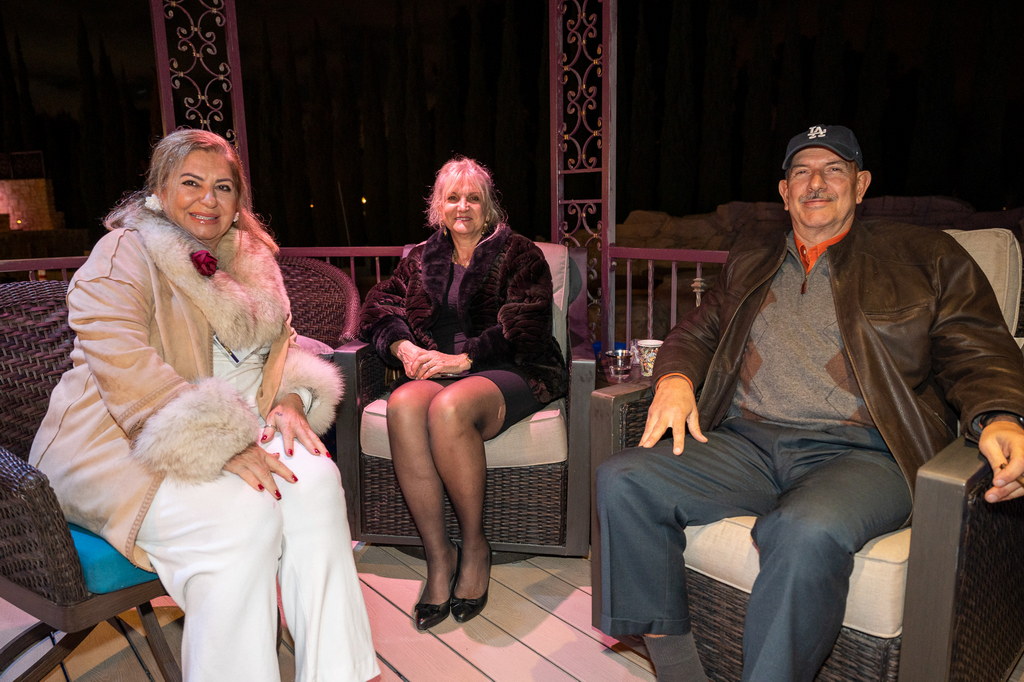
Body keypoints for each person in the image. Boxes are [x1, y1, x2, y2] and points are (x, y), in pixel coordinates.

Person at [596, 124, 1024, 681]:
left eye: (833, 170)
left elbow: (978, 348)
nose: (815, 183)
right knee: (623, 480)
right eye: (801, 171)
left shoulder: (926, 256)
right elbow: (697, 331)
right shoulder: (753, 257)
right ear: (784, 192)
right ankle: (678, 670)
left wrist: (1002, 415)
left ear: (861, 184)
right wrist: (674, 378)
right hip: (746, 444)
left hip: (865, 452)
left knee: (803, 532)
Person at [29, 129, 379, 682]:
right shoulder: (124, 251)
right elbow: (121, 357)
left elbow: (284, 344)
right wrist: (218, 443)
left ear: (239, 200)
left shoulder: (252, 258)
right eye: (191, 183)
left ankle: (339, 673)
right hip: (121, 442)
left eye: (223, 187)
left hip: (242, 426)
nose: (208, 200)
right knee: (241, 513)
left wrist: (292, 396)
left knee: (315, 482)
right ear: (160, 189)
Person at [358, 156, 567, 630]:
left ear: (489, 206)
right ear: (438, 206)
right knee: (403, 405)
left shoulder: (519, 253)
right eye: (453, 197)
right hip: (439, 369)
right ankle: (439, 556)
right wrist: (403, 347)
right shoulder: (422, 258)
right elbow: (378, 307)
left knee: (449, 408)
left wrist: (465, 358)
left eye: (474, 198)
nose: (463, 206)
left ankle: (474, 547)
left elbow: (527, 325)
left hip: (510, 367)